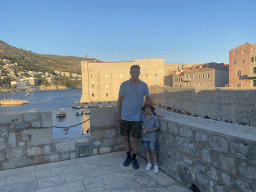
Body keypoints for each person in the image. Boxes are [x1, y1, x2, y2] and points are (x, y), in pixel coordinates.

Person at [117, 65, 152, 169]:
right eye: (134, 72)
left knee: (135, 139)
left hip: (137, 117)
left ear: (139, 73)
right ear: (130, 72)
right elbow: (120, 100)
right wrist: (118, 114)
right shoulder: (124, 85)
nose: (135, 73)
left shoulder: (144, 85)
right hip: (125, 116)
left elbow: (148, 99)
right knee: (126, 137)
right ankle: (128, 156)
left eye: (137, 72)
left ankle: (134, 158)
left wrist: (148, 111)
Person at [141, 103, 160, 173]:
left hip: (152, 137)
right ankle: (149, 162)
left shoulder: (154, 118)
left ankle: (155, 164)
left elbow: (157, 126)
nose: (147, 110)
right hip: (145, 136)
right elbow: (141, 125)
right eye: (146, 109)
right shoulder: (143, 117)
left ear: (151, 109)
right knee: (147, 150)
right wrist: (142, 130)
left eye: (148, 108)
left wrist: (150, 130)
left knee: (153, 151)